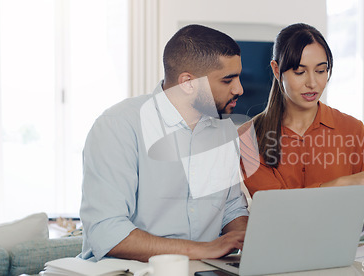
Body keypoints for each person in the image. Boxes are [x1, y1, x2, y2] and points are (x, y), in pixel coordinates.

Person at [80, 24, 249, 262]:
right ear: (188, 83)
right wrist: (203, 250)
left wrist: (244, 238)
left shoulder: (223, 130)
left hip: (201, 270)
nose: (239, 89)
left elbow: (232, 208)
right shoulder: (118, 125)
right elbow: (107, 232)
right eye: (227, 80)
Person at [239, 23, 364, 235]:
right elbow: (278, 212)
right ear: (276, 70)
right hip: (277, 253)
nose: (313, 83)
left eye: (321, 70)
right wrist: (346, 183)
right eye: (300, 72)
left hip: (340, 252)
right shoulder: (248, 138)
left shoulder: (352, 129)